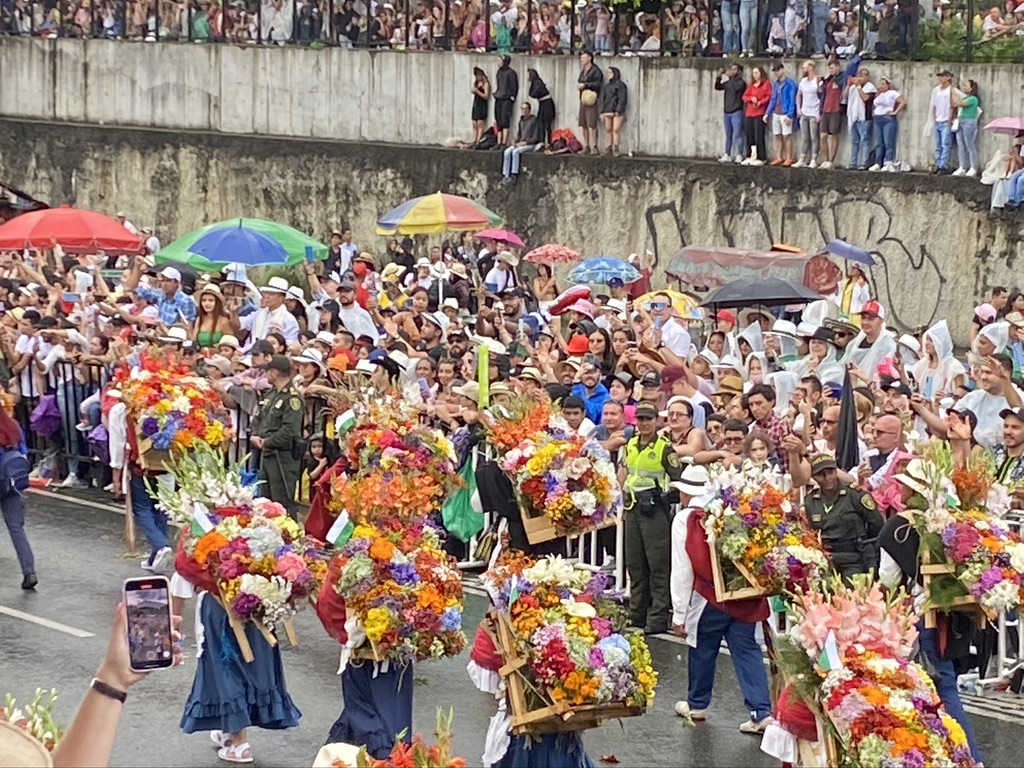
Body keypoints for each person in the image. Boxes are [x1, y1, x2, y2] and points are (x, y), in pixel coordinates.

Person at [670, 464, 772, 734]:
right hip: (743, 595)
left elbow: (682, 569)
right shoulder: (735, 509)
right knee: (747, 650)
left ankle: (697, 704)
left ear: (685, 493)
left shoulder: (685, 519)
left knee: (702, 647)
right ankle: (761, 711)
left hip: (708, 596)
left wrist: (679, 614)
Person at [618, 401, 684, 635]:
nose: (644, 423)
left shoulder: (665, 448)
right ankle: (637, 613)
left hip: (654, 510)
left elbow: (679, 479)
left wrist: (665, 498)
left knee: (658, 564)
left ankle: (657, 616)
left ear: (657, 421)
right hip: (633, 508)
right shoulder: (631, 444)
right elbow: (626, 473)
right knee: (635, 563)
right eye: (641, 419)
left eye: (648, 419)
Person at [804, 454, 883, 582]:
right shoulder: (811, 501)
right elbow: (810, 533)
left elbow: (877, 525)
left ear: (836, 472)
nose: (827, 478)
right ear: (814, 478)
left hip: (854, 558)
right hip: (826, 559)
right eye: (821, 474)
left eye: (830, 472)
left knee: (851, 594)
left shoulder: (854, 496)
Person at [249, 355, 304, 519]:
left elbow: (290, 429)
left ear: (275, 372)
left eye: (268, 370)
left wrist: (267, 441)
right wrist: (256, 435)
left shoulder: (292, 398)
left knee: (282, 500)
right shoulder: (272, 394)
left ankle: (290, 535)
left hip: (283, 455)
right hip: (267, 453)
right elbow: (260, 417)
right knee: (265, 500)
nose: (266, 374)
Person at [0, 404, 34, 589]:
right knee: (16, 529)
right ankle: (29, 572)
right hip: (12, 482)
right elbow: (24, 452)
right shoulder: (12, 426)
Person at [869, 75, 906, 172]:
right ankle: (878, 163)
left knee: (888, 141)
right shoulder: (879, 95)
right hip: (877, 118)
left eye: (883, 84)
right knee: (879, 142)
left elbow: (902, 102)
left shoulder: (892, 93)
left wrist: (895, 112)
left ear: (888, 85)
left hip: (887, 118)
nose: (880, 86)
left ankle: (889, 161)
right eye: (880, 84)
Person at [501, 102, 542, 184]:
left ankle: (514, 174)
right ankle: (506, 175)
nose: (524, 111)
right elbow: (519, 135)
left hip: (530, 144)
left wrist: (526, 142)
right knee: (507, 151)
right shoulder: (521, 121)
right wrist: (516, 142)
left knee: (516, 152)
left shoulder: (534, 120)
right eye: (522, 109)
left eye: (525, 108)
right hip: (520, 144)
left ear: (529, 110)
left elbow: (536, 137)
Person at [765, 61, 796, 167]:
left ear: (782, 70)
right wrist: (767, 113)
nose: (776, 73)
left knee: (787, 136)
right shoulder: (775, 84)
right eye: (775, 71)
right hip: (776, 113)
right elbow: (773, 100)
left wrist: (790, 114)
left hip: (785, 113)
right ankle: (778, 157)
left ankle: (789, 157)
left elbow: (792, 100)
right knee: (777, 135)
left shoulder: (790, 84)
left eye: (778, 70)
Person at [715, 63, 747, 164]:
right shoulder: (728, 83)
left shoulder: (741, 83)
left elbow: (736, 88)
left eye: (734, 69)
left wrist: (729, 76)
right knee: (728, 134)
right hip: (727, 112)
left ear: (739, 72)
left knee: (737, 134)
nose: (732, 71)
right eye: (731, 69)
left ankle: (739, 154)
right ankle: (727, 154)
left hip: (736, 111)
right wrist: (719, 76)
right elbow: (718, 87)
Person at [930, 69, 958, 175]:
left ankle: (944, 165)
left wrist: (950, 119)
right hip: (938, 119)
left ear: (948, 78)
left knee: (946, 144)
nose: (940, 79)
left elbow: (953, 105)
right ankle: (938, 164)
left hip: (946, 120)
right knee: (938, 145)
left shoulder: (951, 90)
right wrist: (934, 117)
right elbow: (934, 105)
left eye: (942, 76)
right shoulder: (936, 90)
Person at [741, 65, 770, 165]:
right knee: (750, 135)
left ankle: (761, 157)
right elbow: (744, 97)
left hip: (759, 112)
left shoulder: (766, 84)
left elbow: (768, 96)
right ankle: (750, 155)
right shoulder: (751, 85)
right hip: (750, 113)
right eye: (754, 73)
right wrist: (751, 99)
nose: (755, 75)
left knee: (759, 135)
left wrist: (760, 102)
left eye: (757, 73)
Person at [794, 60, 821, 168]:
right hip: (804, 111)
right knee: (805, 136)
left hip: (814, 112)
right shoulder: (803, 81)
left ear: (810, 67)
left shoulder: (817, 80)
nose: (803, 69)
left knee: (814, 136)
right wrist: (798, 108)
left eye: (804, 67)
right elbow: (798, 95)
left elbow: (821, 95)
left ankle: (814, 158)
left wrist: (819, 112)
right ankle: (803, 158)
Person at [577, 50, 603, 155]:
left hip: (591, 98)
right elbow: (580, 80)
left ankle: (594, 146)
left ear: (589, 58)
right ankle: (586, 145)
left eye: (583, 58)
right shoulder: (583, 70)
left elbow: (598, 84)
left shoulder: (596, 71)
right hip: (583, 98)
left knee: (592, 124)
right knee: (583, 124)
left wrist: (586, 85)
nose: (581, 60)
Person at [953, 79, 981, 178]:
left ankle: (973, 167)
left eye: (966, 86)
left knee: (970, 145)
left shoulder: (973, 99)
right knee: (960, 145)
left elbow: (958, 103)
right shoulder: (966, 98)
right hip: (961, 121)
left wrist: (954, 91)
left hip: (969, 122)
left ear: (971, 88)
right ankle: (962, 167)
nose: (964, 87)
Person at [598, 66, 627, 157]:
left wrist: (618, 110)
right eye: (607, 73)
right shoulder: (606, 86)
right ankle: (608, 147)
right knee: (608, 129)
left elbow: (622, 98)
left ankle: (616, 148)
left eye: (610, 73)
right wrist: (602, 111)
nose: (608, 75)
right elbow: (603, 99)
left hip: (616, 110)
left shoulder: (620, 85)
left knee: (616, 129)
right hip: (607, 110)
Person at [526, 68, 556, 147]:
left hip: (547, 104)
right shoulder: (535, 83)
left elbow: (534, 94)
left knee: (546, 124)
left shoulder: (538, 83)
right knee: (540, 123)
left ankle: (549, 142)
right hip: (542, 104)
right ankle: (542, 141)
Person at [493, 55, 518, 147]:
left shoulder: (511, 73)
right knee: (498, 119)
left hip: (506, 99)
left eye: (499, 61)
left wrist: (512, 98)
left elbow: (514, 87)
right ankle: (499, 142)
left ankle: (504, 142)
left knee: (505, 120)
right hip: (498, 98)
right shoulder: (499, 72)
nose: (498, 62)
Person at [470, 66, 491, 146]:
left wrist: (477, 91)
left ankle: (478, 140)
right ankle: (474, 140)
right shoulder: (476, 83)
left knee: (480, 123)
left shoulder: (486, 84)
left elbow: (486, 96)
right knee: (474, 123)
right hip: (476, 103)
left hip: (482, 104)